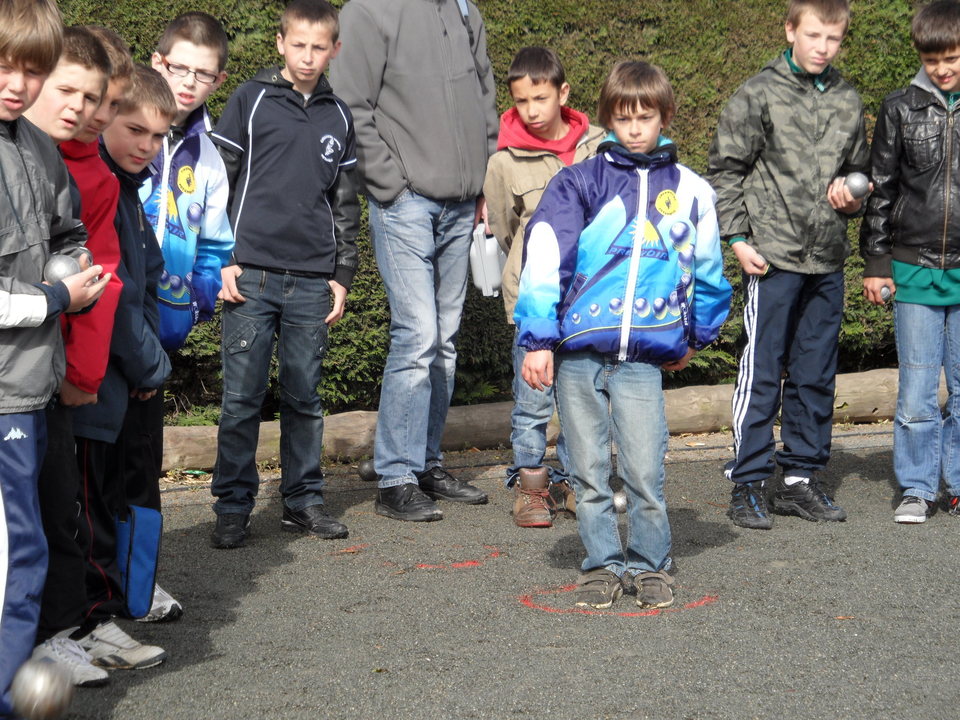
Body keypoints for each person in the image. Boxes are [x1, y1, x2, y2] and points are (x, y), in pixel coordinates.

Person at [516, 61, 732, 609]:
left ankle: (652, 564)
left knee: (643, 468)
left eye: (647, 117)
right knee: (587, 471)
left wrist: (695, 337)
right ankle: (601, 565)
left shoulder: (691, 192)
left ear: (664, 116)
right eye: (624, 117)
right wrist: (538, 339)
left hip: (643, 359)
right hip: (580, 354)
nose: (636, 128)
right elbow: (545, 256)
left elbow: (707, 271)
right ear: (609, 118)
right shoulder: (578, 182)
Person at [330, 0, 497, 522]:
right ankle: (395, 476)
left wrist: (486, 180)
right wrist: (388, 185)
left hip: (463, 200)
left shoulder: (466, 10)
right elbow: (350, 103)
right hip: (405, 201)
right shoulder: (367, 10)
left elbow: (486, 100)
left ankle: (423, 462)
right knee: (418, 334)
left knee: (443, 342)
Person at [706, 0, 869, 530]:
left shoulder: (846, 98)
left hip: (827, 258)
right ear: (791, 30)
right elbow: (725, 170)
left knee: (817, 373)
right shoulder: (759, 93)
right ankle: (748, 483)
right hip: (771, 258)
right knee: (761, 373)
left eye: (834, 39)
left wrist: (853, 196)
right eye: (814, 35)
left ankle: (799, 479)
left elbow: (858, 172)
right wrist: (736, 237)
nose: (823, 47)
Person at [209, 0, 359, 549]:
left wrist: (342, 274)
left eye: (319, 47)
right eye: (299, 44)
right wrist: (219, 257)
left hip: (312, 282)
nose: (308, 55)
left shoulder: (339, 117)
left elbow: (345, 205)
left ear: (334, 50)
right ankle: (231, 507)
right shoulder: (249, 100)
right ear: (280, 43)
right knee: (242, 398)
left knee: (305, 398)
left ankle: (303, 502)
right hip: (250, 275)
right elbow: (217, 183)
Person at [0, 1, 109, 714]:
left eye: (33, 70)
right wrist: (53, 298)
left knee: (26, 551)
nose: (19, 83)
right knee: (16, 560)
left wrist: (75, 273)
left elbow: (67, 227)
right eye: (6, 64)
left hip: (28, 390)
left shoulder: (35, 145)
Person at [128, 10, 234, 618]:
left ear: (217, 81)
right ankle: (87, 595)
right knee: (97, 470)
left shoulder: (211, 158)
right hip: (106, 329)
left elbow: (215, 247)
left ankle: (136, 587)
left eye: (203, 74)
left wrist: (191, 305)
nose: (188, 82)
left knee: (142, 467)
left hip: (159, 339)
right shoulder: (122, 128)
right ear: (157, 61)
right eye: (179, 68)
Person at [22, 25, 117, 689]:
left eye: (90, 96)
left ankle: (57, 637)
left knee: (58, 513)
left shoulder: (56, 162)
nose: (78, 106)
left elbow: (76, 240)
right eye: (66, 90)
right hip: (14, 372)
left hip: (42, 375)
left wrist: (77, 284)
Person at [72, 64, 175, 670]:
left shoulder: (130, 190)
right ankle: (92, 622)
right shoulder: (101, 187)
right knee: (90, 511)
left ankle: (113, 608)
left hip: (124, 376)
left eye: (159, 136)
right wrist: (149, 365)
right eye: (135, 129)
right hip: (100, 380)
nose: (147, 146)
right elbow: (115, 291)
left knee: (112, 503)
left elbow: (150, 276)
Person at [482, 47, 604, 528]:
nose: (531, 110)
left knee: (585, 395)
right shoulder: (503, 162)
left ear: (563, 92)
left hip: (590, 298)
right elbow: (507, 229)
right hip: (536, 301)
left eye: (540, 98)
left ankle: (575, 482)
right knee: (533, 397)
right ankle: (531, 486)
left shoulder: (598, 146)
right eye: (520, 101)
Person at [861, 0, 960, 523]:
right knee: (918, 386)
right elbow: (880, 190)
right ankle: (918, 488)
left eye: (953, 57)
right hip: (915, 266)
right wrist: (876, 263)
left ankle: (959, 483)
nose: (943, 68)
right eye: (933, 57)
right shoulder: (899, 106)